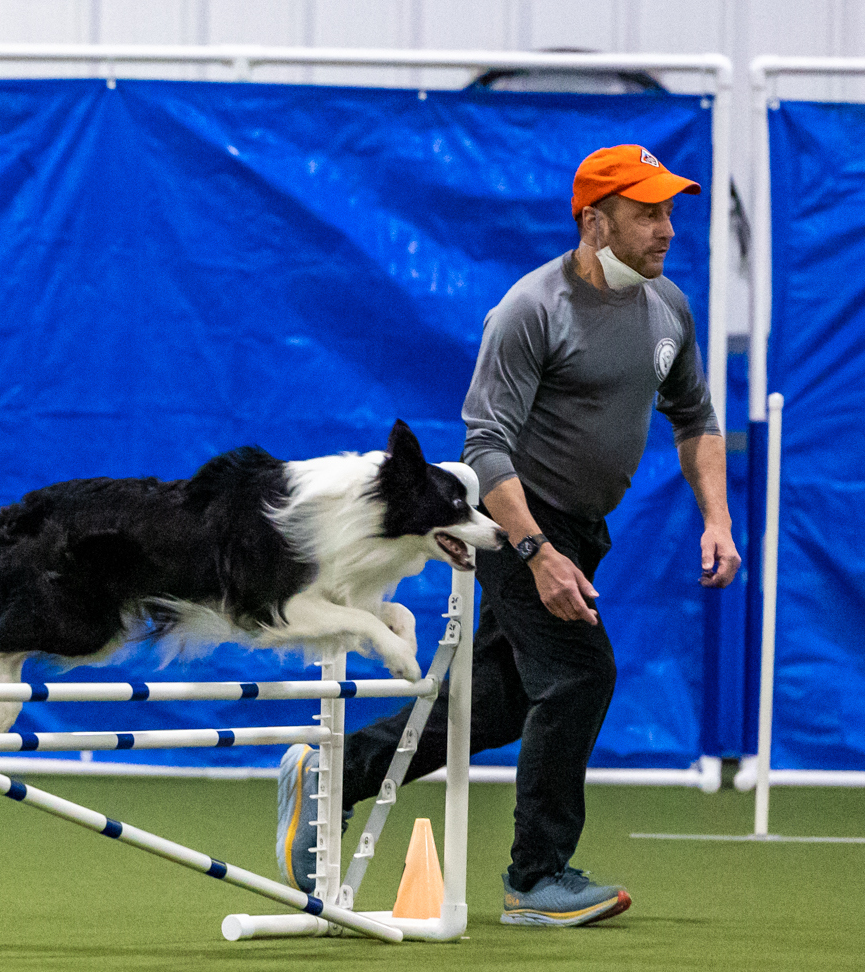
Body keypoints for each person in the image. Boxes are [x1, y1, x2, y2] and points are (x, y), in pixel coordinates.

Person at [276, 144, 741, 927]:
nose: (666, 229)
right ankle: (536, 878)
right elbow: (484, 446)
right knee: (581, 675)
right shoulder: (532, 309)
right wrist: (537, 552)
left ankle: (333, 774)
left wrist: (718, 519)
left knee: (492, 704)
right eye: (646, 214)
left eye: (668, 212)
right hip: (519, 523)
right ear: (594, 223)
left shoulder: (669, 308)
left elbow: (694, 416)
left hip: (583, 530)